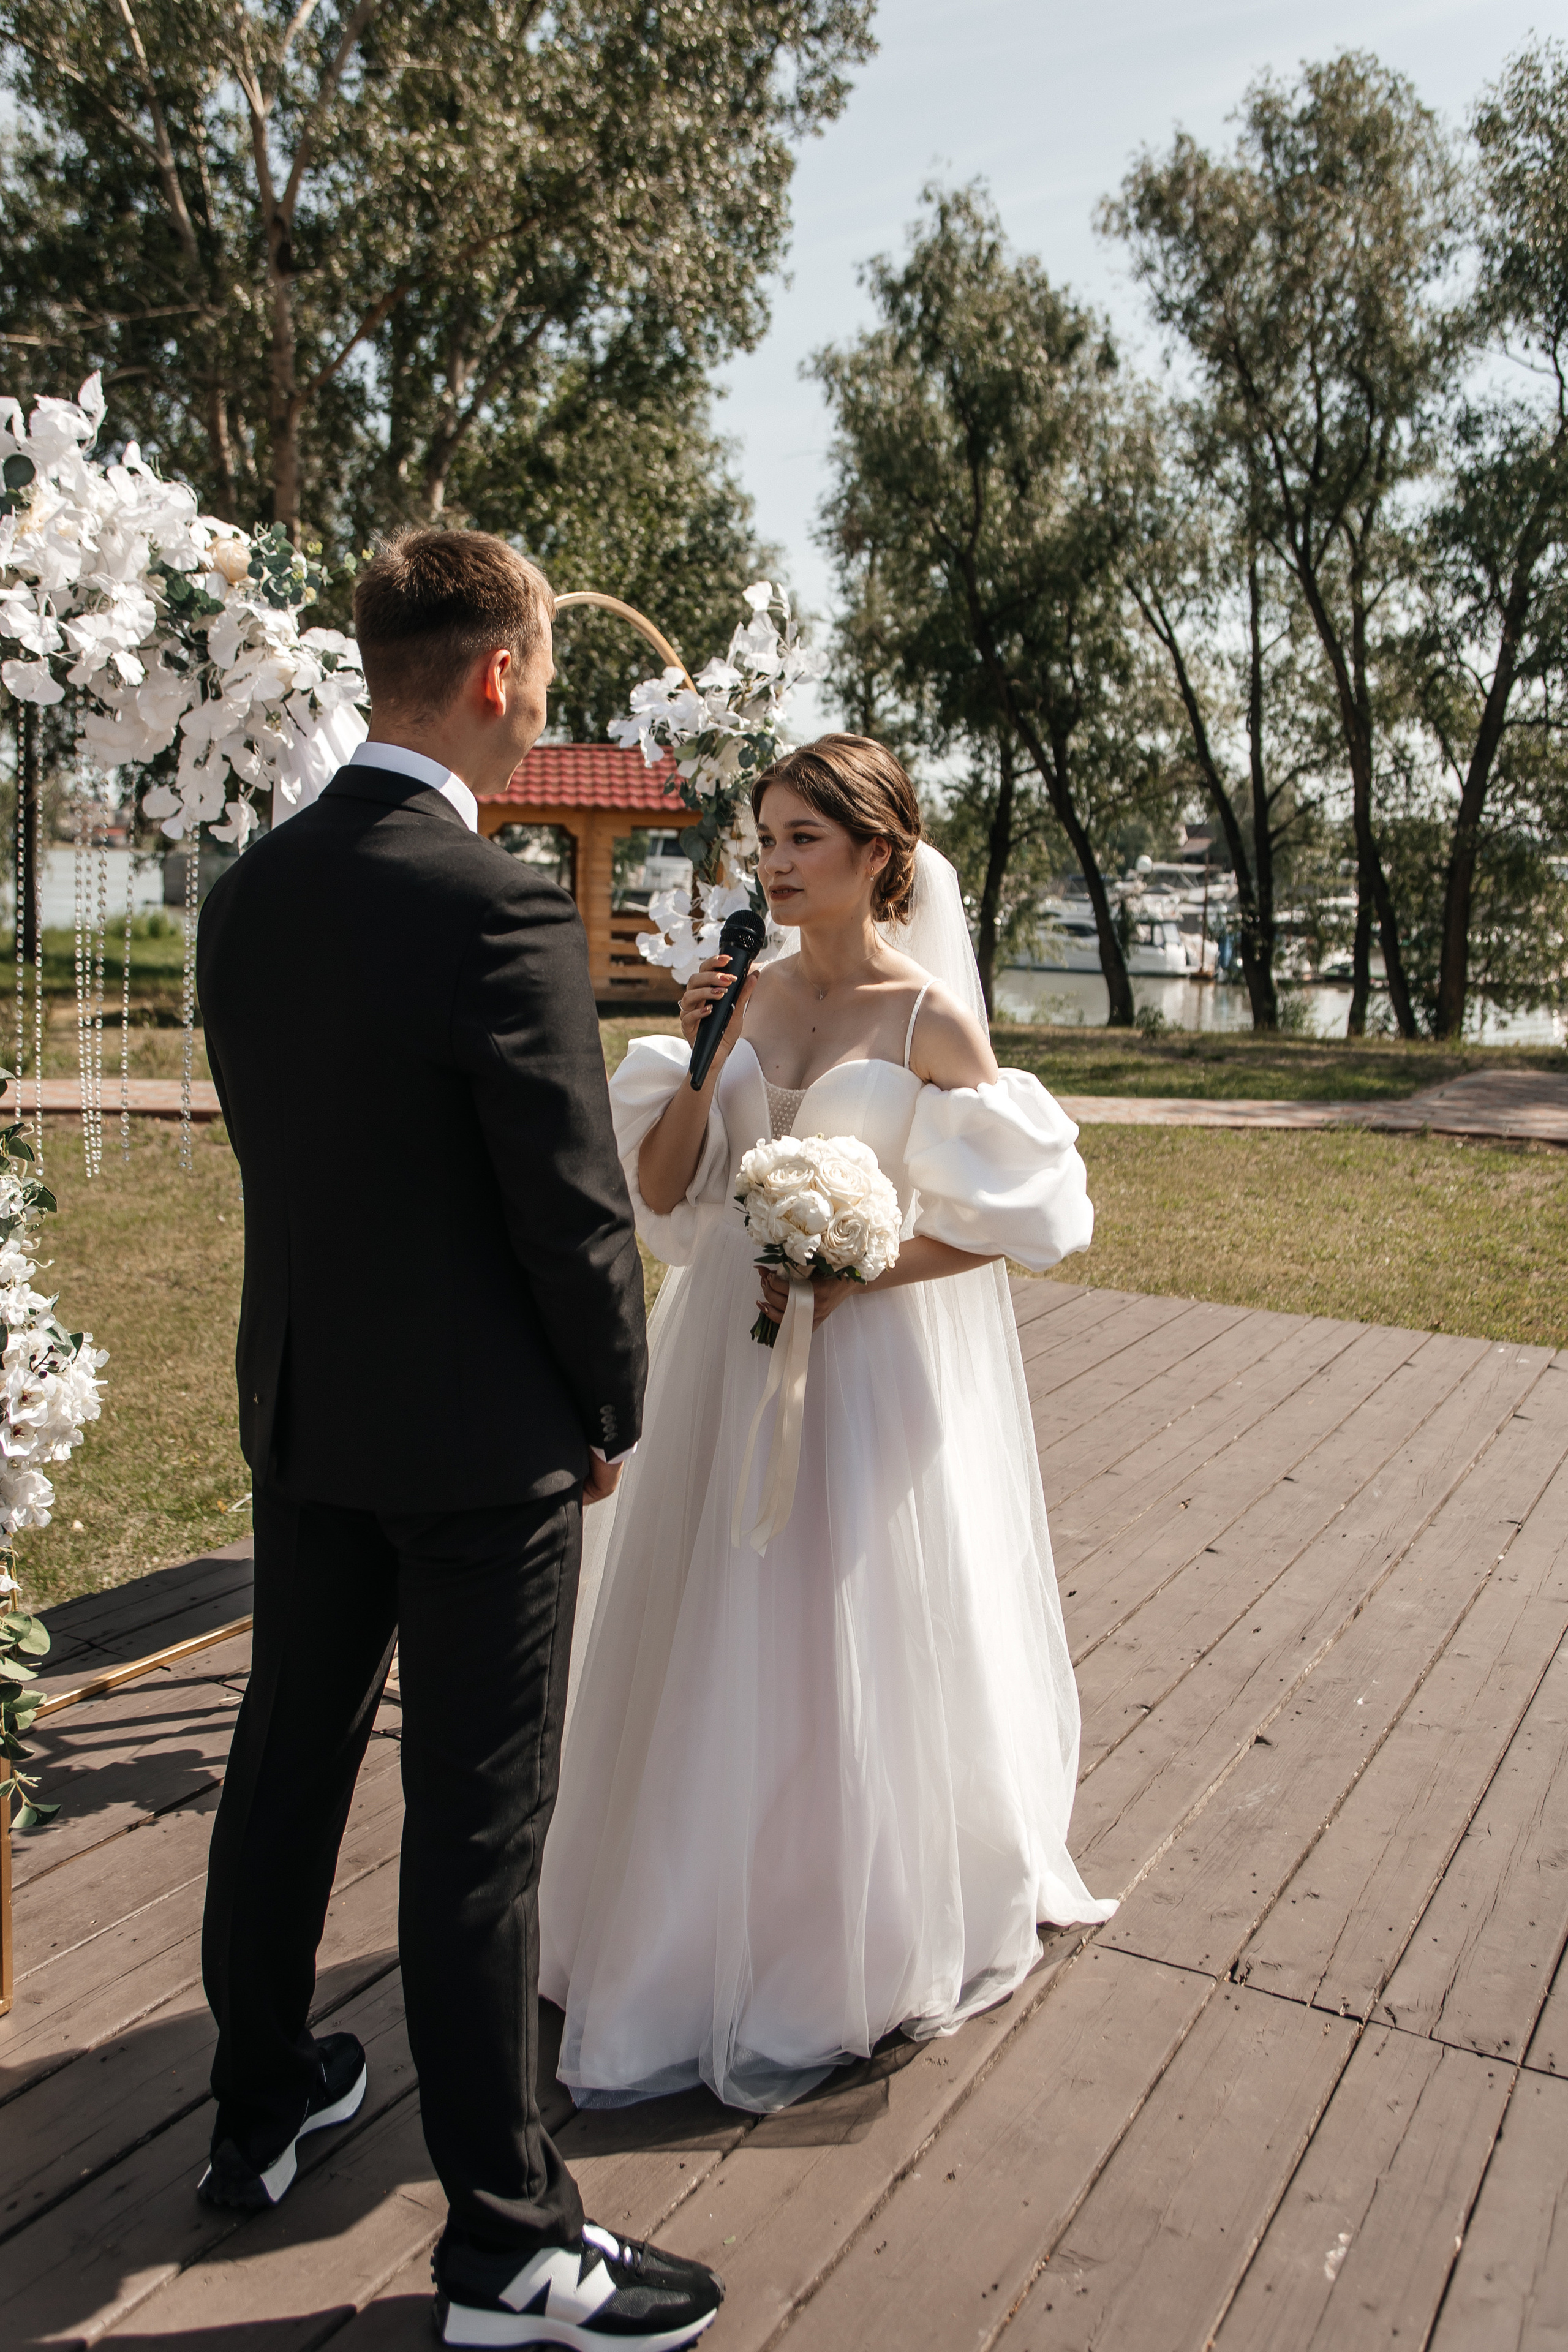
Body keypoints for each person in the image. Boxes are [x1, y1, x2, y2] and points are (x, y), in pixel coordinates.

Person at [196, 529, 725, 2350]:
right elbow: (570, 1211)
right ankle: (507, 2237)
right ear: (500, 675)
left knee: (290, 1754)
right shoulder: (493, 903)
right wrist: (609, 1407)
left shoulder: (249, 894)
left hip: (305, 1407)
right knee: (478, 1824)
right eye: (543, 683)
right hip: (482, 1443)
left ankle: (265, 2100)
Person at [540, 734, 1116, 2116]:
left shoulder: (930, 1024)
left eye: (803, 840)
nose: (774, 865)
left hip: (865, 1375)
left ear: (877, 856)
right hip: (722, 1368)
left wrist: (858, 1267)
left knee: (842, 1640)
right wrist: (703, 1054)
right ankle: (679, 1919)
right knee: (710, 1627)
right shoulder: (736, 994)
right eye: (766, 838)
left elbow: (1009, 1222)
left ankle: (834, 1935)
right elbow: (667, 1199)